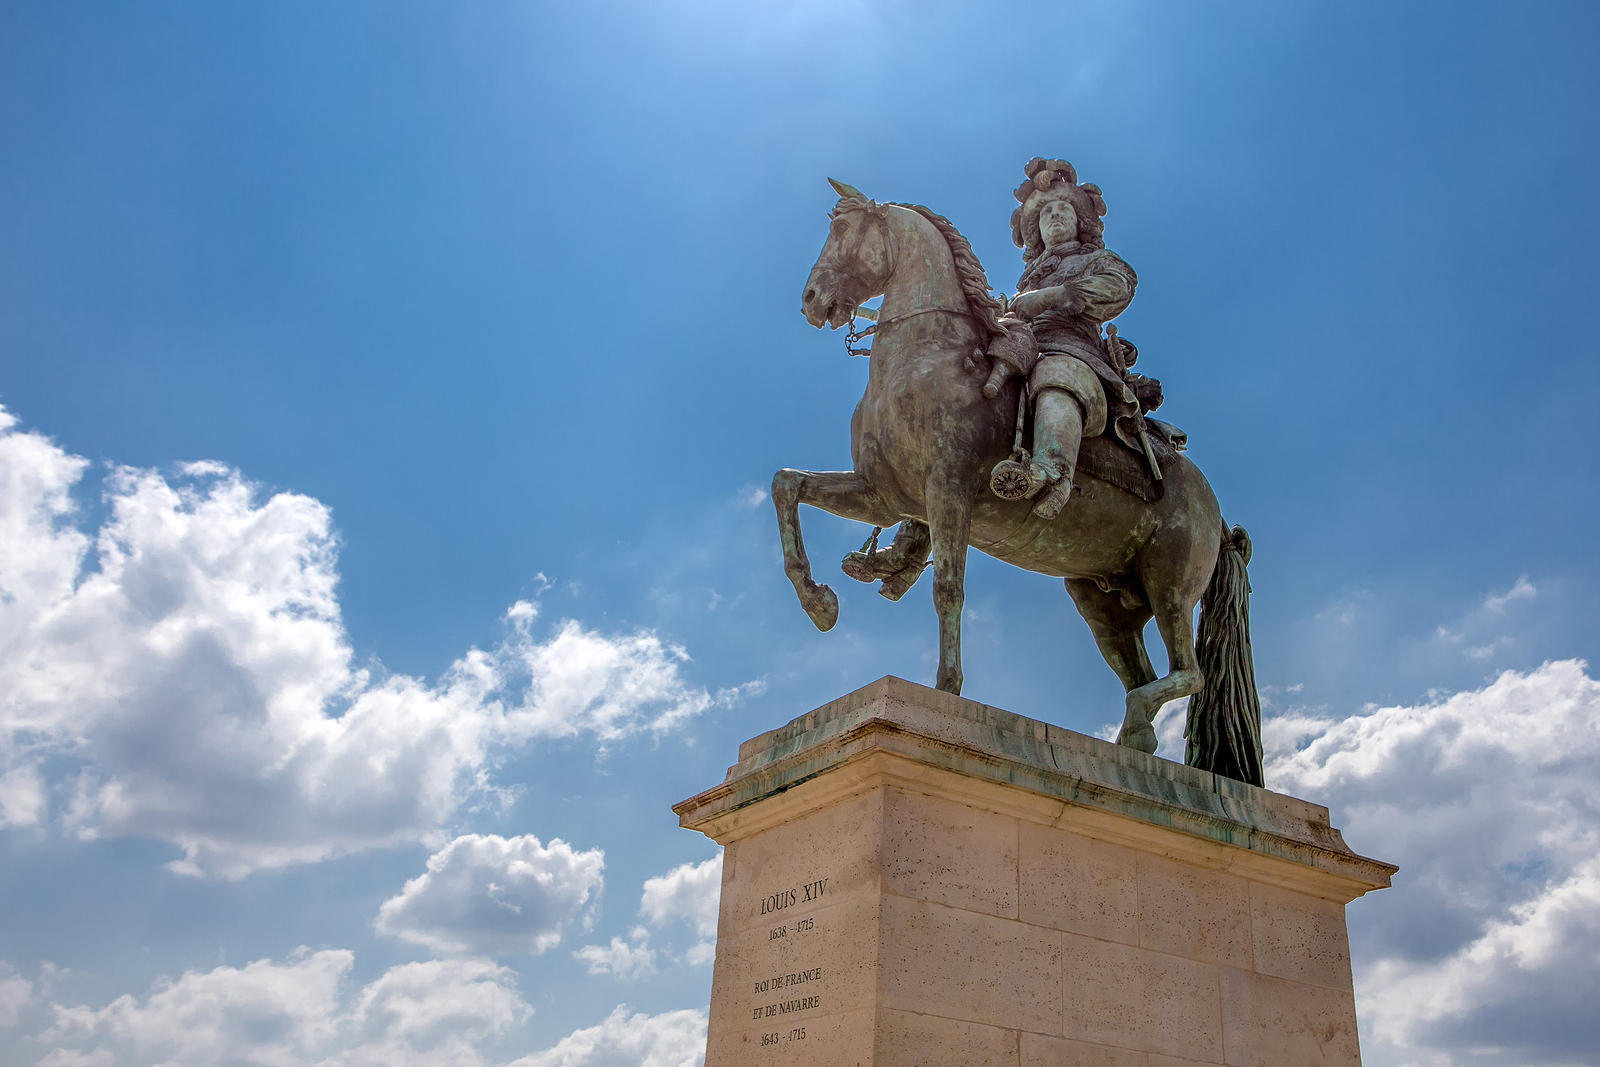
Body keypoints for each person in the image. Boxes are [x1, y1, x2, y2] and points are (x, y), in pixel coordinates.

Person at [994, 158, 1149, 519]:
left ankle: (1052, 469)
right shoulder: (1024, 282)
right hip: (1019, 348)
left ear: (1081, 222)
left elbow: (1117, 287)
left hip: (1072, 349)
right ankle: (914, 534)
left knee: (1055, 372)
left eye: (1064, 209)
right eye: (1046, 212)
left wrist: (1049, 297)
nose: (1055, 215)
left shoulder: (1098, 260)